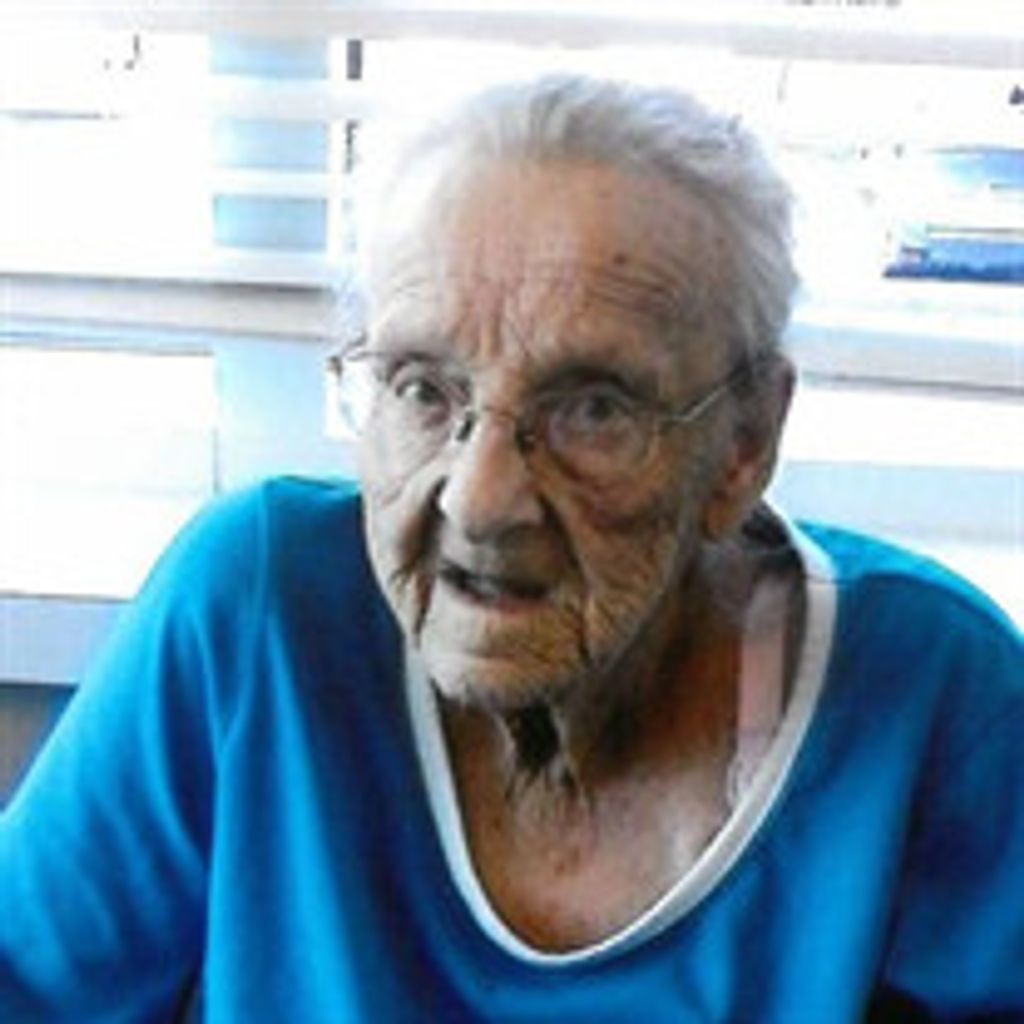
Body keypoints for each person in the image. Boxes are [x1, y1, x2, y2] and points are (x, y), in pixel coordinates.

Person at [1, 75, 1021, 1024]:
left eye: (593, 409)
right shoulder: (255, 614)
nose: (480, 500)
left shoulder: (933, 694)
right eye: (422, 388)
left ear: (742, 444)